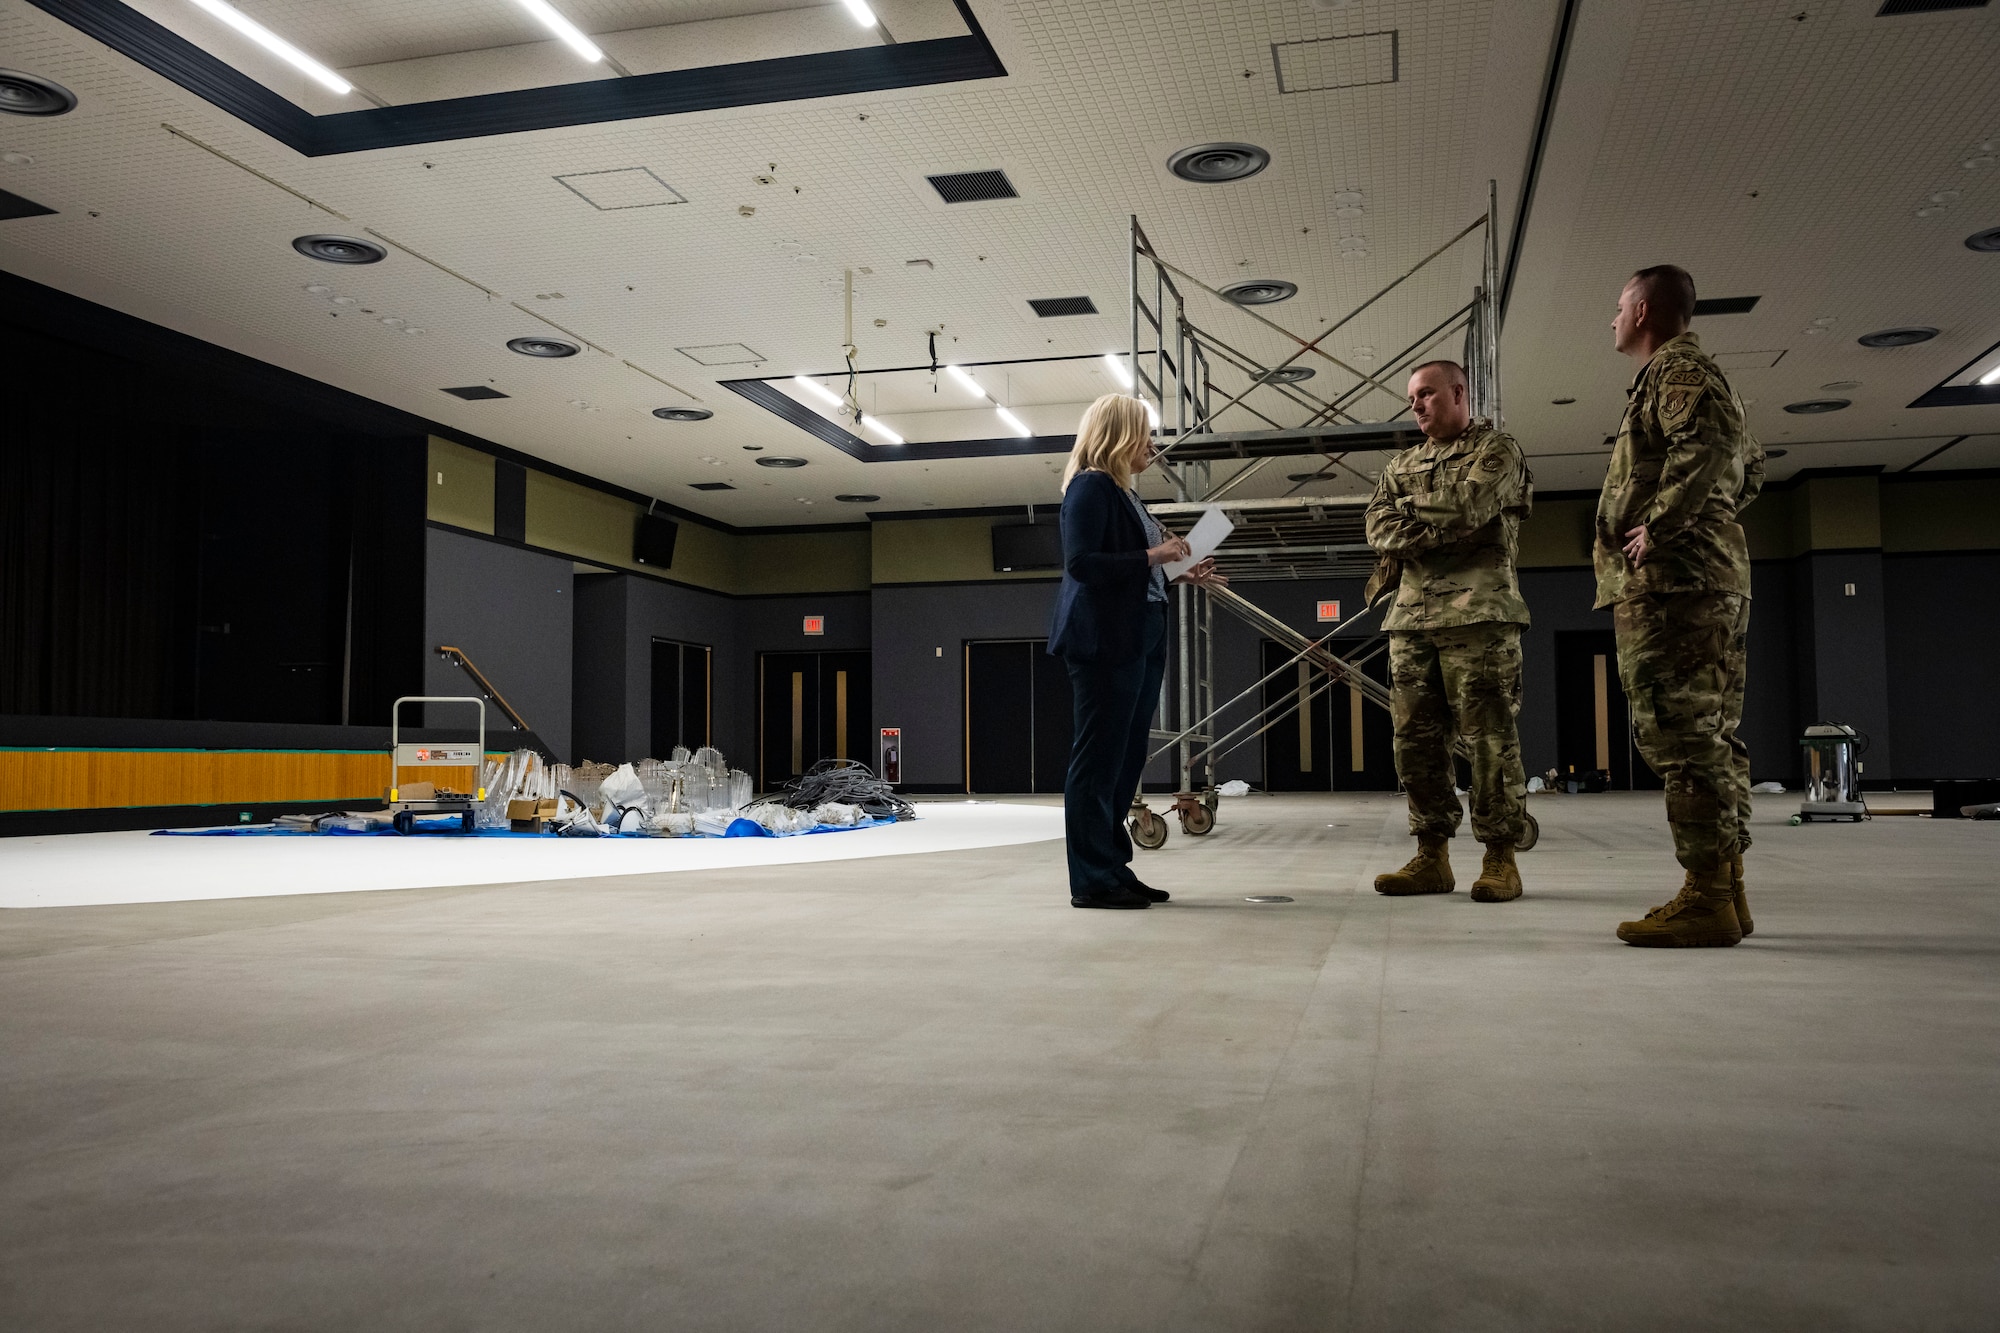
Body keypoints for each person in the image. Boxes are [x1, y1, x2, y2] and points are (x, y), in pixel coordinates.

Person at [1598, 265, 1765, 947]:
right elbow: (1750, 469)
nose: (1612, 320)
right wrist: (1697, 516)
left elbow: (1716, 445)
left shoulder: (1678, 370)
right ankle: (1727, 888)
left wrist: (1663, 523)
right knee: (1709, 732)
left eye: (1617, 308)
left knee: (1682, 733)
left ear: (1642, 310)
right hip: (1701, 575)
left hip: (1678, 583)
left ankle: (1707, 895)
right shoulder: (1683, 377)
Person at [1363, 361, 1535, 902]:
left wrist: (1409, 515)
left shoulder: (1497, 451)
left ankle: (1500, 858)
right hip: (1411, 621)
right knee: (1414, 742)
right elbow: (1376, 526)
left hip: (1480, 616)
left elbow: (1470, 505)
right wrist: (1431, 523)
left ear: (1458, 392)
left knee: (1489, 741)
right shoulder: (1402, 463)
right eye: (1411, 398)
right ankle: (1431, 855)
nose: (1416, 405)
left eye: (1426, 394)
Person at [1048, 394, 1225, 909]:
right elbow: (1082, 563)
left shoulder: (1125, 495)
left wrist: (1176, 570)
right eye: (1145, 433)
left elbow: (1127, 565)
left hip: (1138, 633)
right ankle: (1090, 879)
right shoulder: (1090, 485)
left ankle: (1113, 867)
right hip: (1104, 641)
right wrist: (1156, 553)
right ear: (1120, 435)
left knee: (1125, 759)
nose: (1152, 444)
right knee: (1097, 759)